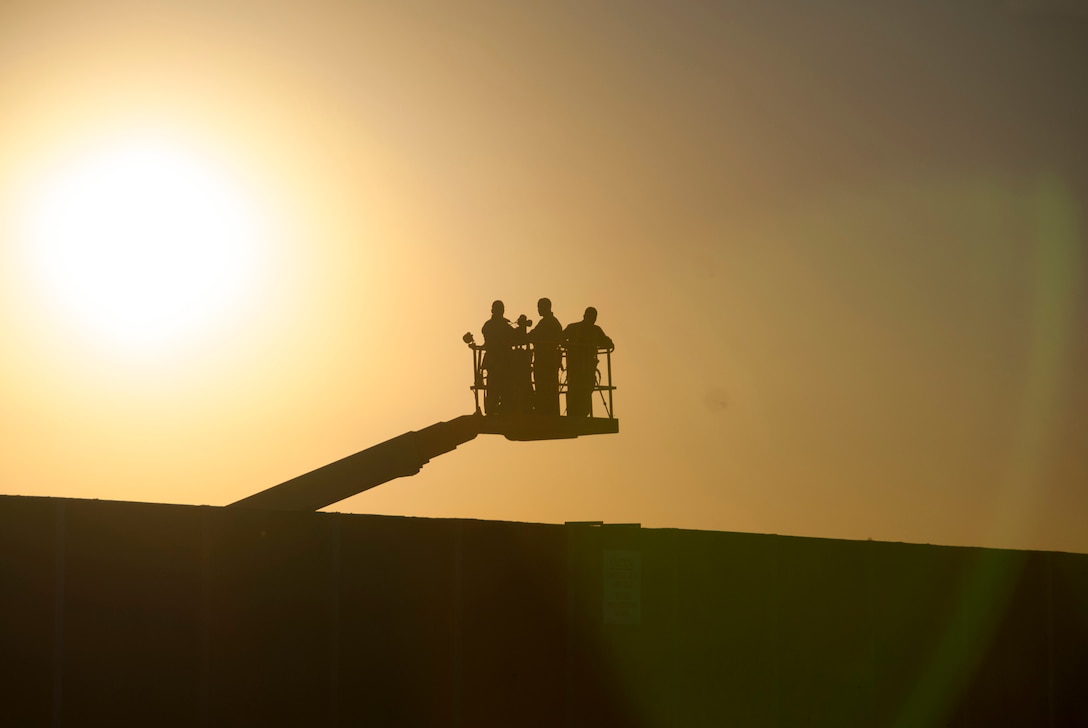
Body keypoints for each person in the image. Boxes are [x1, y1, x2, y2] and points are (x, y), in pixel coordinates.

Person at [562, 306, 613, 417]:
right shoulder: (574, 328)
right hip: (576, 368)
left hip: (587, 368)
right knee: (577, 389)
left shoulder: (595, 330)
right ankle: (576, 412)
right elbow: (560, 338)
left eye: (593, 317)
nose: (592, 319)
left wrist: (608, 343)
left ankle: (582, 412)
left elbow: (607, 341)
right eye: (591, 317)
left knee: (585, 390)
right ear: (585, 316)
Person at [481, 300, 528, 414]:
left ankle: (495, 408)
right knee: (500, 387)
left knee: (495, 388)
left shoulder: (489, 326)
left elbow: (514, 336)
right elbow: (517, 337)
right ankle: (499, 408)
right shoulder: (499, 326)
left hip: (496, 363)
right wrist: (522, 326)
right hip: (501, 363)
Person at [526, 297, 563, 415]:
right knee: (550, 386)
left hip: (544, 361)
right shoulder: (553, 322)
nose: (538, 309)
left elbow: (535, 334)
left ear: (546, 307)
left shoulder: (547, 322)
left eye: (539, 307)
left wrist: (524, 337)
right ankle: (550, 410)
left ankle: (544, 410)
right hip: (550, 360)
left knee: (544, 385)